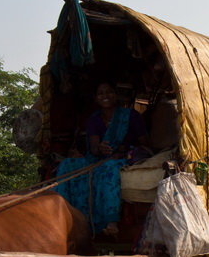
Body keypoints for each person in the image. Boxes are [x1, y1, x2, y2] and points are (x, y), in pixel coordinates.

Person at [55, 82, 150, 236]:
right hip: (97, 158)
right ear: (96, 98)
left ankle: (110, 220)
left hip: (123, 158)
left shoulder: (131, 116)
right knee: (68, 164)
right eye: (101, 93)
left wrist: (124, 150)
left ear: (115, 94)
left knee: (108, 169)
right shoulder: (94, 120)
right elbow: (93, 147)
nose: (105, 96)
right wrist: (100, 148)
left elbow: (145, 144)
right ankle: (65, 214)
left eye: (109, 92)